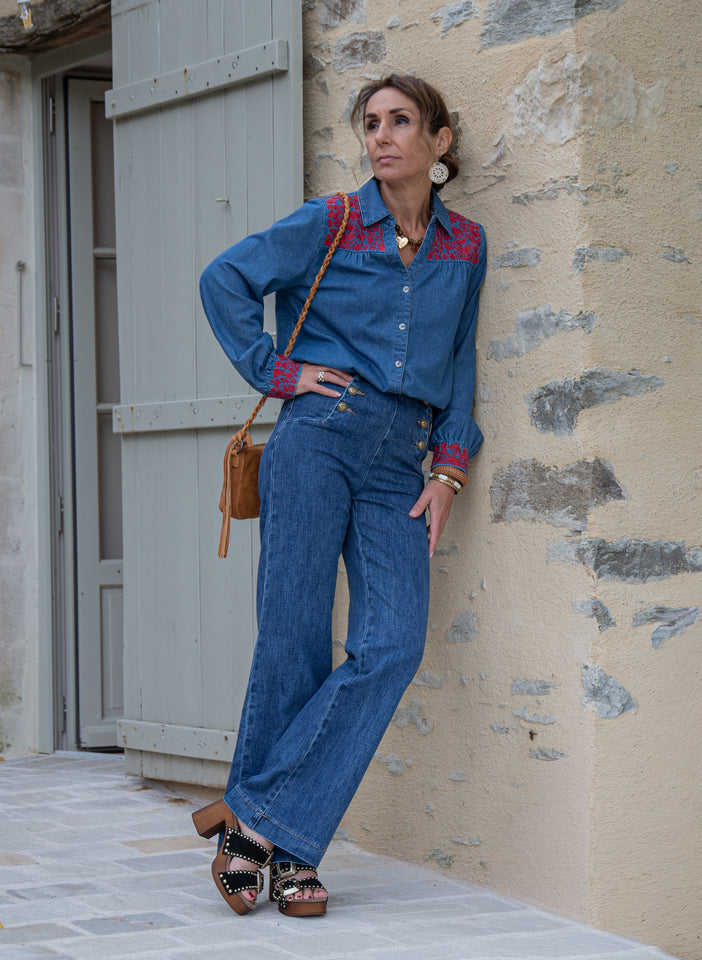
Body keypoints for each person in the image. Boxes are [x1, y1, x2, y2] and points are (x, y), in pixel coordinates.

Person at [194, 73, 487, 918]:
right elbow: (225, 280)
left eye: (402, 121)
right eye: (372, 123)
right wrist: (279, 373)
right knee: (292, 635)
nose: (383, 136)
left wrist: (449, 469)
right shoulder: (330, 222)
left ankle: (249, 815)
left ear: (440, 141)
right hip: (319, 437)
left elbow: (463, 363)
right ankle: (291, 852)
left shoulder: (465, 244)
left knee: (392, 642)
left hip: (406, 459)